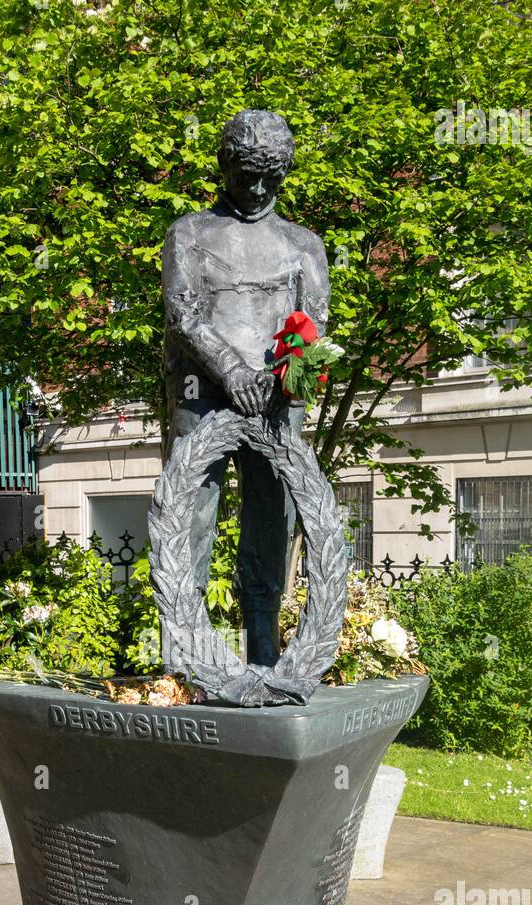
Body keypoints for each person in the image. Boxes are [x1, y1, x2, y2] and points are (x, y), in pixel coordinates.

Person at [162, 109, 330, 666]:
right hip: (203, 392)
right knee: (191, 516)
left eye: (271, 178)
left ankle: (264, 654)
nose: (257, 190)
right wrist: (233, 371)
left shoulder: (304, 244)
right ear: (224, 167)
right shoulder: (188, 233)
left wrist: (284, 377)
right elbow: (184, 315)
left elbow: (316, 322)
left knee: (270, 520)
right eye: (245, 176)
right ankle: (183, 658)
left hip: (278, 400)